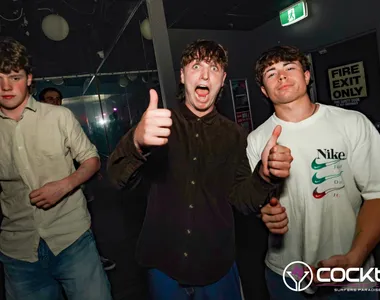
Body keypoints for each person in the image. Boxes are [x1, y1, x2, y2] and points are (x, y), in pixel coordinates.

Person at [107, 39, 293, 299]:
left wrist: (264, 175)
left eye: (214, 68)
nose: (205, 74)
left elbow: (242, 201)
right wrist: (136, 142)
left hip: (217, 268)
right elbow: (116, 179)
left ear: (223, 79)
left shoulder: (236, 136)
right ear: (182, 76)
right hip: (163, 265)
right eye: (196, 66)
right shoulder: (159, 126)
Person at [247, 45, 380, 299]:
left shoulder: (352, 123)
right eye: (271, 73)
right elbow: (256, 203)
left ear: (307, 76)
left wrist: (356, 256)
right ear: (264, 90)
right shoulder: (256, 140)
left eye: (289, 67)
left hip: (351, 275)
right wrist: (264, 213)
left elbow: (379, 194)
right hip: (286, 275)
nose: (281, 76)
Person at [0, 37, 113, 299]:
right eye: (0, 77)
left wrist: (64, 185)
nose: (6, 86)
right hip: (18, 252)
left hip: (72, 239)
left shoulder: (58, 117)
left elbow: (91, 159)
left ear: (28, 78)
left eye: (14, 77)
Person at [38, 86, 117, 272]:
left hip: (74, 187)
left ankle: (93, 256)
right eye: (49, 99)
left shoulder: (65, 120)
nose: (54, 102)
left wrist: (88, 170)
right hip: (43, 196)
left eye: (57, 99)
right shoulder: (33, 126)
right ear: (41, 102)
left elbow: (84, 155)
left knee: (83, 220)